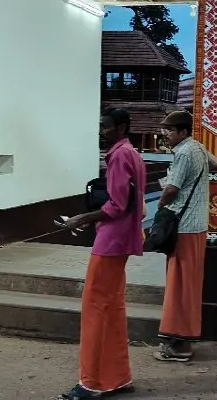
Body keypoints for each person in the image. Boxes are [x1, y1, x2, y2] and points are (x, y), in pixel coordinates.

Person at [57, 108, 146, 400]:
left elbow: (117, 205)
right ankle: (118, 377)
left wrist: (80, 219)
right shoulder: (131, 152)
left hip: (110, 242)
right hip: (121, 240)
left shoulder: (119, 156)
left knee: (95, 307)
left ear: (121, 127)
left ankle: (91, 382)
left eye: (106, 127)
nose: (101, 131)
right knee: (113, 307)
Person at [153, 110, 217, 363]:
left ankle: (179, 346)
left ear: (182, 131)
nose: (165, 135)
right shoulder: (198, 148)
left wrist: (158, 208)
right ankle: (182, 341)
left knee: (179, 286)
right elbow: (216, 164)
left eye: (169, 131)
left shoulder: (183, 153)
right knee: (188, 284)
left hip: (184, 226)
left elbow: (171, 189)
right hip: (198, 224)